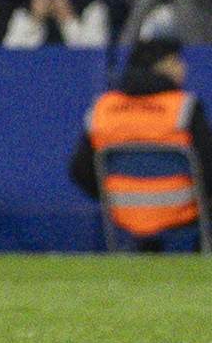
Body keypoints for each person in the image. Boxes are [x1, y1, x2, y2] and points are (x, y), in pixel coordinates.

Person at [69, 37, 212, 251]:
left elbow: (79, 170)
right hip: (182, 208)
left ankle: (148, 250)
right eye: (176, 61)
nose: (183, 67)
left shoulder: (104, 108)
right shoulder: (183, 108)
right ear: (160, 66)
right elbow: (208, 166)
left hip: (123, 209)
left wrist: (115, 194)